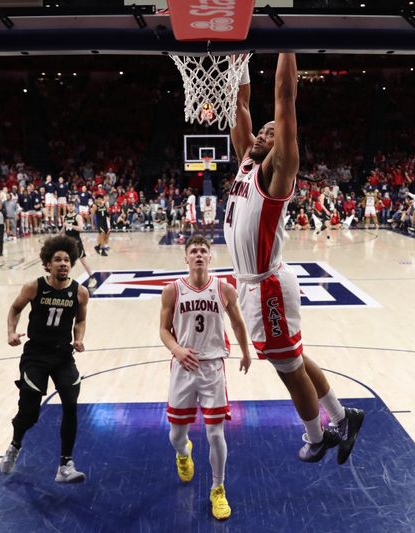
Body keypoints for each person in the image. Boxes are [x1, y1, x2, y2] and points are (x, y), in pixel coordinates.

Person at [225, 53, 364, 464]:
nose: (263, 132)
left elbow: (285, 100)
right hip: (252, 283)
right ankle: (344, 417)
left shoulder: (277, 170)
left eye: (270, 132)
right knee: (293, 358)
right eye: (260, 132)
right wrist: (239, 60)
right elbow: (240, 106)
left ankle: (317, 436)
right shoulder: (245, 165)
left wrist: (285, 43)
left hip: (266, 283)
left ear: (278, 143)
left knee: (288, 369)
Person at [159, 235, 252, 521]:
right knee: (176, 435)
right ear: (186, 258)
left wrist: (246, 352)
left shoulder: (224, 289)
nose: (199, 254)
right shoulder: (172, 290)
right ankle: (184, 453)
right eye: (193, 251)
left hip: (212, 367)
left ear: (210, 258)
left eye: (203, 251)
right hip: (183, 367)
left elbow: (237, 322)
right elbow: (163, 329)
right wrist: (176, 349)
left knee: (215, 433)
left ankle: (217, 488)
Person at [0, 235, 89, 482]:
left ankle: (65, 465)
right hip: (35, 355)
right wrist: (10, 332)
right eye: (57, 259)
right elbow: (15, 308)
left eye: (67, 260)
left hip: (63, 356)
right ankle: (15, 444)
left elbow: (80, 320)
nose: (63, 263)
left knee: (71, 405)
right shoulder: (34, 287)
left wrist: (78, 338)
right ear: (47, 264)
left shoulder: (80, 292)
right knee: (29, 414)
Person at [62, 209, 98, 288]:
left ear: (73, 206)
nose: (70, 207)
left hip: (77, 243)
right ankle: (63, 281)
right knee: (67, 263)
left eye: (72, 205)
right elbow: (64, 231)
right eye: (69, 205)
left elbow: (81, 228)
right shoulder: (64, 217)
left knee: (83, 262)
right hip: (68, 243)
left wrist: (71, 225)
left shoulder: (77, 216)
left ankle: (92, 278)